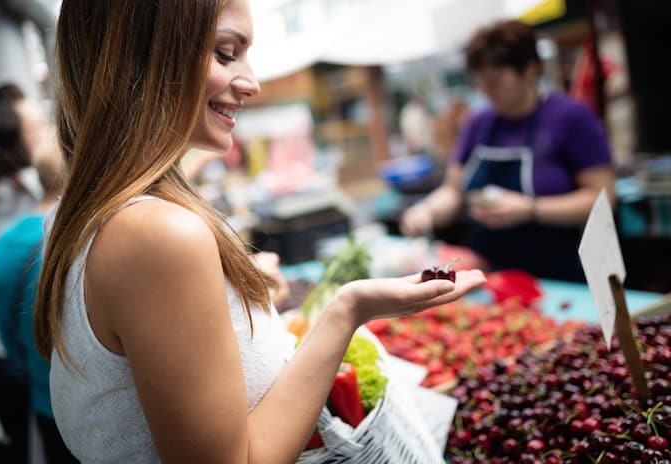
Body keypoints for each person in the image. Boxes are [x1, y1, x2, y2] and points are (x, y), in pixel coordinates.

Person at [33, 1, 485, 463]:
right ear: (144, 54)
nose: (252, 82)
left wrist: (244, 297)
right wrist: (347, 310)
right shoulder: (158, 234)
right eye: (226, 53)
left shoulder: (76, 216)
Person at [401, 20, 615, 282]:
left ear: (530, 69)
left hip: (561, 275)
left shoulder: (571, 117)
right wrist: (427, 211)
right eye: (479, 82)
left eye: (495, 81)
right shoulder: (478, 124)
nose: (485, 91)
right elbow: (453, 190)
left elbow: (602, 199)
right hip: (491, 275)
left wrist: (530, 208)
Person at [0, 138, 78, 463]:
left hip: (44, 398)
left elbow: (8, 340)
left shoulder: (4, 246)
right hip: (99, 407)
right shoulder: (85, 235)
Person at [0, 83, 45, 462]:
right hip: (28, 355)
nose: (45, 136)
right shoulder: (36, 195)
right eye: (37, 128)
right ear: (13, 139)